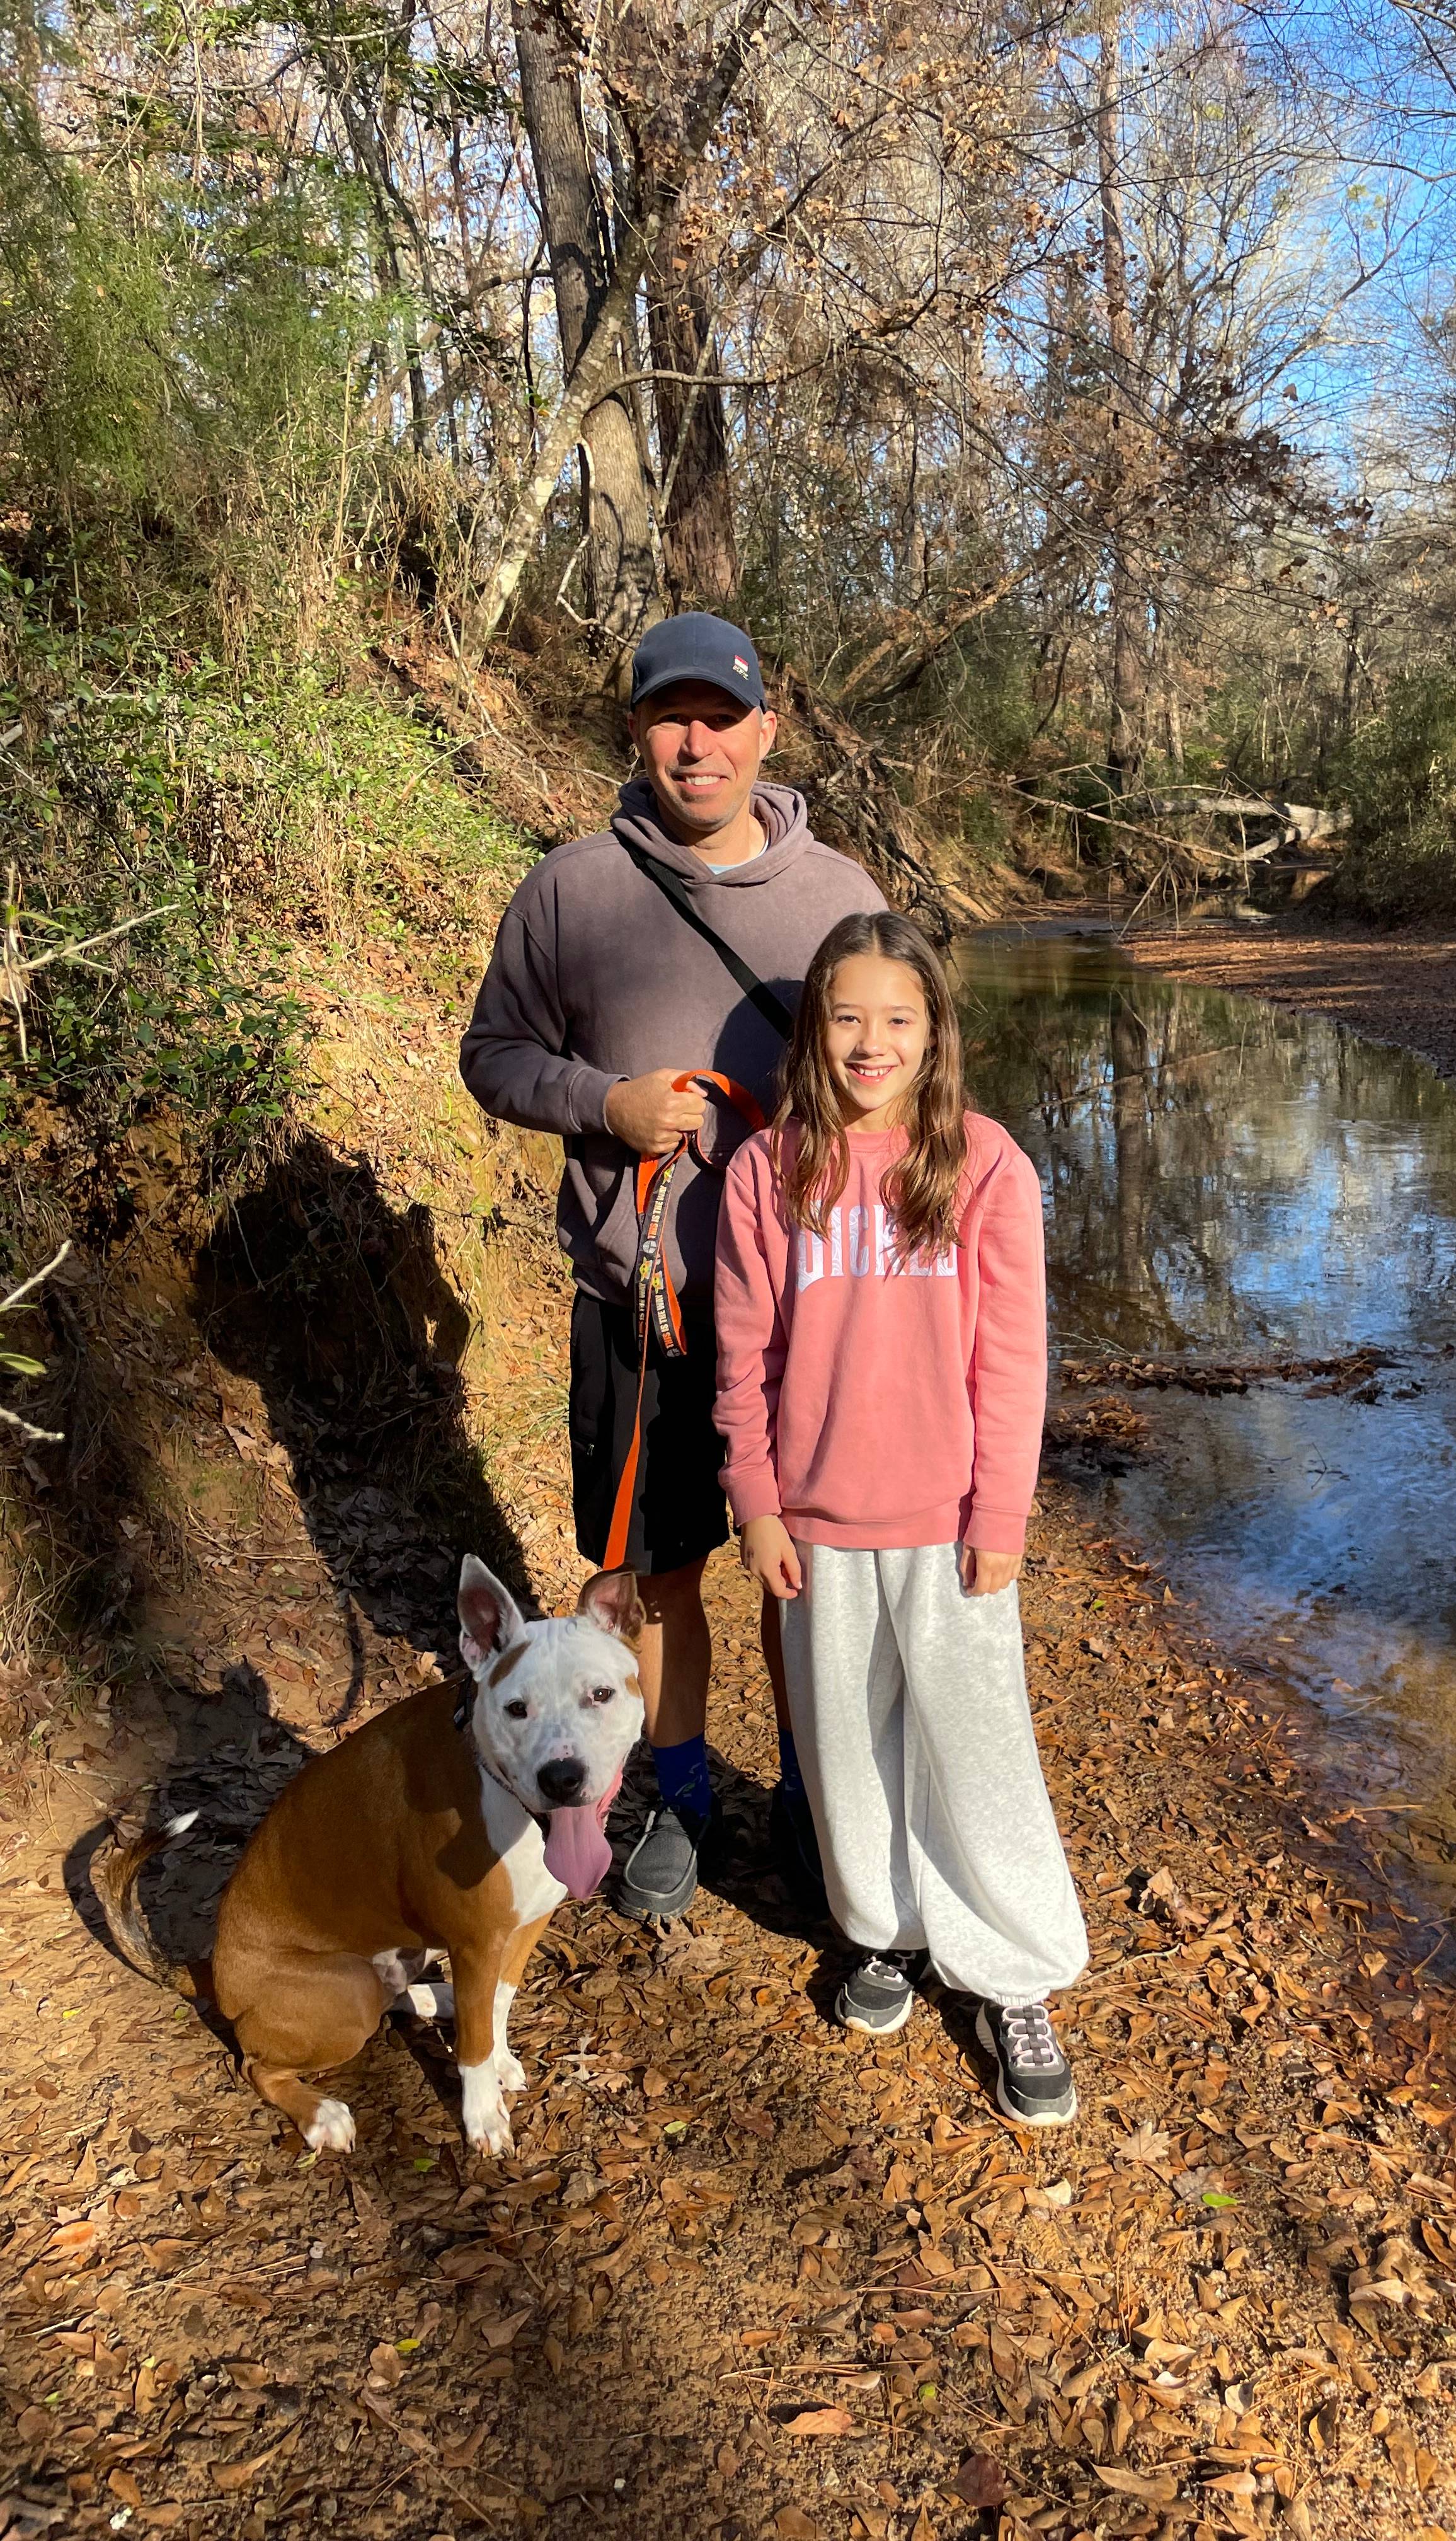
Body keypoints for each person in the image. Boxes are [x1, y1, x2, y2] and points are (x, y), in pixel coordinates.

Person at [459, 612, 886, 1920]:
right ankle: (682, 1784)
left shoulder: (843, 899)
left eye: (721, 717)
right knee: (658, 1576)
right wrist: (607, 1107)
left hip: (806, 1315)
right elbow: (494, 1057)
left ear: (768, 729)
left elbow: (899, 1083)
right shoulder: (572, 889)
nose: (695, 743)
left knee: (807, 1566)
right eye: (668, 716)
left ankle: (817, 1793)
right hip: (635, 1311)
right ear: (636, 732)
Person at [712, 911, 1089, 2127]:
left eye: (898, 1020)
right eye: (847, 1018)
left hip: (948, 1525)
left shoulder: (983, 1167)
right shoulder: (766, 1174)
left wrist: (1003, 1513)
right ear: (815, 1032)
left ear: (936, 1034)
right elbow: (741, 1357)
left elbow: (1014, 1362)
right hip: (817, 1527)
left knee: (978, 1751)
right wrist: (757, 1502)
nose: (871, 1045)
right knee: (846, 1750)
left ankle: (1012, 1971)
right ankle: (884, 1932)